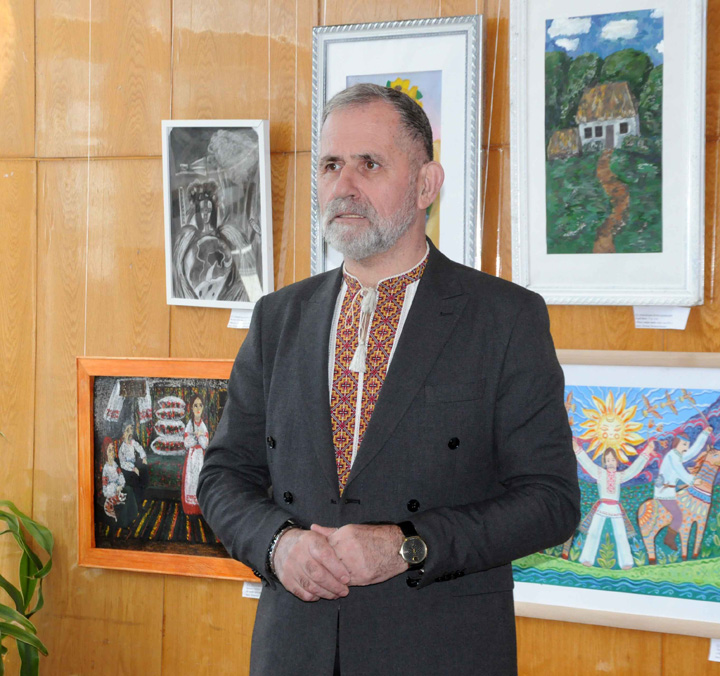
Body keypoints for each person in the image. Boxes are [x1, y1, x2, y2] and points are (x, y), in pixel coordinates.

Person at [198, 83, 580, 676]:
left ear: (427, 184)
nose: (343, 186)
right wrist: (278, 545)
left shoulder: (504, 318)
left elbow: (551, 501)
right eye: (331, 165)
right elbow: (224, 476)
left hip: (439, 651)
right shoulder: (278, 317)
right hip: (294, 650)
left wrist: (408, 544)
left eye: (369, 164)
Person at [573, 440, 654, 569]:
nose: (610, 462)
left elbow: (634, 470)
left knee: (621, 534)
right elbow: (587, 464)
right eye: (608, 460)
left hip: (615, 508)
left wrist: (647, 451)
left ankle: (626, 562)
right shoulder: (600, 473)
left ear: (617, 461)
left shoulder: (620, 476)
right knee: (593, 532)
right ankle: (587, 559)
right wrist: (577, 448)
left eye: (612, 460)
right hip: (602, 506)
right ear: (605, 463)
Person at [653, 425, 712, 550]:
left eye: (687, 445)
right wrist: (693, 481)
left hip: (669, 491)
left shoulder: (677, 455)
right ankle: (669, 538)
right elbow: (679, 470)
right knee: (678, 516)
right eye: (684, 445)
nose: (686, 448)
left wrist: (704, 434)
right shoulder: (672, 456)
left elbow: (693, 452)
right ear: (677, 444)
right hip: (664, 492)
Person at [181, 394, 209, 515]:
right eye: (195, 405)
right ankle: (190, 508)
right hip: (192, 457)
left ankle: (199, 508)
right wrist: (196, 437)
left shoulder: (203, 426)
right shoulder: (189, 425)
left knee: (199, 478)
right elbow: (186, 443)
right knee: (190, 479)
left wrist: (199, 437)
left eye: (200, 405)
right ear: (191, 408)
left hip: (200, 457)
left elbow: (205, 444)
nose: (198, 408)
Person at [101, 437, 138, 528]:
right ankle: (123, 523)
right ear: (106, 453)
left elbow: (120, 476)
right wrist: (115, 488)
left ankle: (132, 516)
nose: (112, 452)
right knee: (124, 497)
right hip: (111, 495)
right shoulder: (106, 469)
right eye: (109, 450)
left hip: (118, 490)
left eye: (113, 449)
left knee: (129, 489)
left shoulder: (115, 464)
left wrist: (121, 485)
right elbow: (105, 490)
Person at [117, 422, 150, 505]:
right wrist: (133, 468)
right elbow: (123, 463)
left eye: (131, 429)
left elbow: (139, 448)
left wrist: (143, 457)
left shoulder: (132, 442)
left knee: (144, 469)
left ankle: (143, 493)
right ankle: (137, 502)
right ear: (123, 434)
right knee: (135, 480)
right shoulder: (122, 448)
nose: (130, 432)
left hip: (134, 465)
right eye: (127, 430)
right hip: (127, 470)